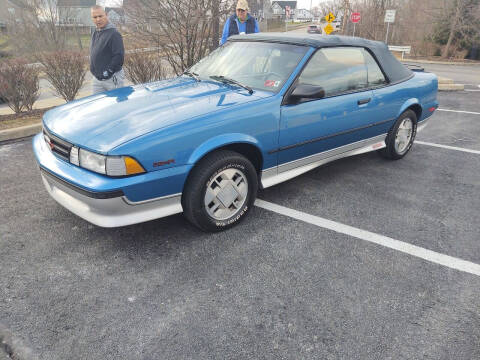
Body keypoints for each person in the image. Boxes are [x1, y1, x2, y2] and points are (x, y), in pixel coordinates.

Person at [90, 5, 125, 94]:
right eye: (95, 17)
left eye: (100, 16)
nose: (98, 19)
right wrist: (92, 68)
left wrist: (108, 72)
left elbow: (119, 57)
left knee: (115, 107)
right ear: (92, 18)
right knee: (97, 104)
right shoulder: (95, 32)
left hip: (112, 78)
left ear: (106, 15)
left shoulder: (114, 34)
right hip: (97, 79)